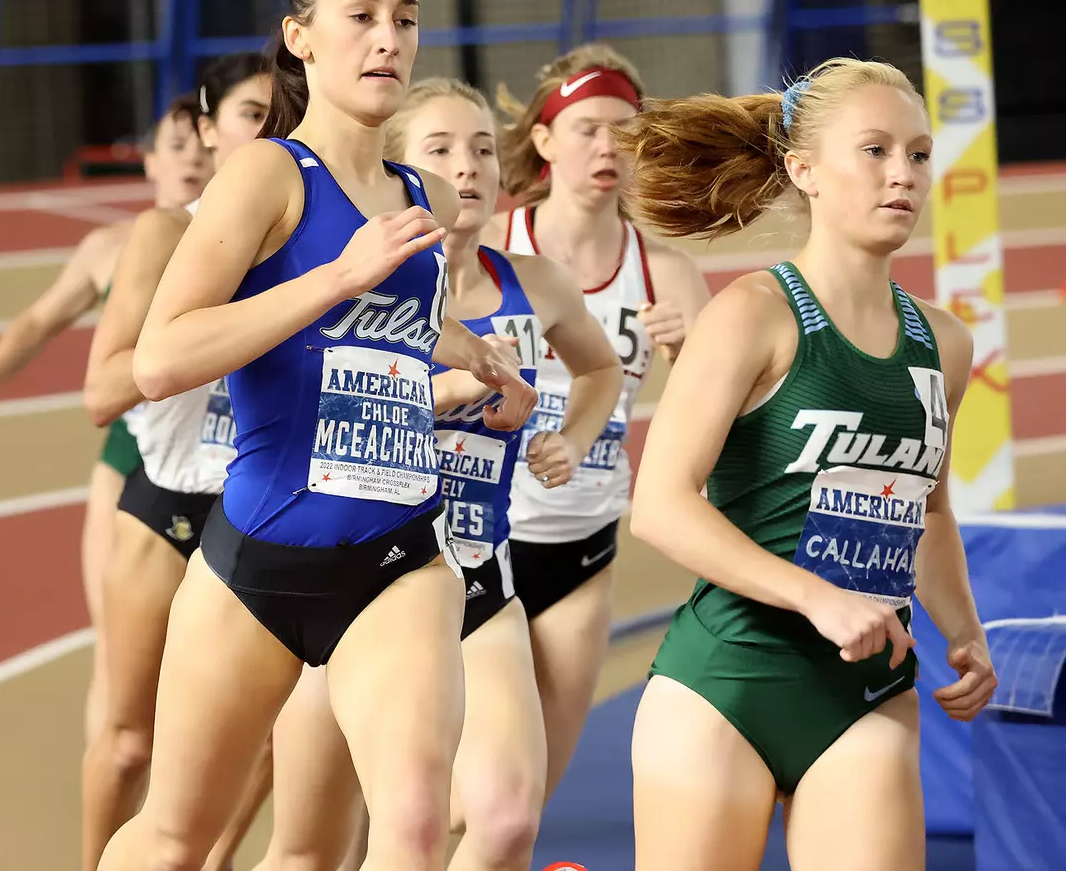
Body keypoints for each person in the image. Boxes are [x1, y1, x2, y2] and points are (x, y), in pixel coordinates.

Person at [98, 0, 536, 871]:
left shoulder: (420, 196)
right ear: (301, 37)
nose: (388, 39)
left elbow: (388, 346)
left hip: (398, 559)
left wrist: (482, 370)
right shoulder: (266, 175)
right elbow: (160, 361)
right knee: (177, 839)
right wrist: (338, 275)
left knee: (412, 826)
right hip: (258, 560)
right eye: (362, 16)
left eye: (406, 20)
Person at [618, 58, 997, 869]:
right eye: (875, 150)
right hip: (728, 684)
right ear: (804, 170)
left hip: (865, 691)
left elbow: (928, 510)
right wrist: (818, 598)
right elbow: (660, 504)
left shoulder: (946, 343)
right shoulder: (751, 314)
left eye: (919, 154)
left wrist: (964, 628)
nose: (903, 174)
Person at [255, 77, 625, 871]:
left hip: (474, 574)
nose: (468, 167)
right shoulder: (352, 282)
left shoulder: (536, 285)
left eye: (484, 149)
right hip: (355, 580)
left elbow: (602, 370)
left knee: (505, 819)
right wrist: (450, 389)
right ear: (399, 173)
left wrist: (571, 438)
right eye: (442, 149)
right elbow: (307, 411)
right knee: (311, 851)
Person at [0, 93, 214, 744]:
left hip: (218, 464)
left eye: (202, 150)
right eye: (175, 148)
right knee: (119, 660)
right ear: (148, 162)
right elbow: (42, 317)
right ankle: (116, 768)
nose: (191, 161)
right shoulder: (110, 247)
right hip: (127, 465)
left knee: (213, 663)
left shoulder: (238, 246)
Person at [485, 44, 711, 796]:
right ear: (544, 141)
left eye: (625, 130)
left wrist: (689, 352)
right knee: (464, 786)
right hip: (478, 537)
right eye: (587, 129)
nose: (609, 146)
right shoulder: (493, 248)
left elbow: (724, 424)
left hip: (583, 545)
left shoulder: (667, 274)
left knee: (534, 787)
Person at [78, 53, 271, 871]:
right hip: (167, 504)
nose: (270, 131)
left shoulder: (310, 239)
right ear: (207, 128)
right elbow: (101, 392)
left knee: (265, 740)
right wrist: (216, 329)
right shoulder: (165, 234)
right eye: (252, 115)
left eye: (282, 117)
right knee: (131, 742)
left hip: (260, 510)